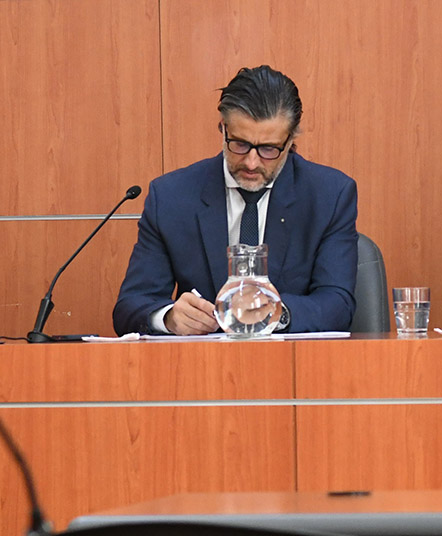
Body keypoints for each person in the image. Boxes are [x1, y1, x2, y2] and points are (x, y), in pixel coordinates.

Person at [113, 65, 358, 335]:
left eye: (268, 149)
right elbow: (131, 306)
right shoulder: (172, 196)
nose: (251, 163)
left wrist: (277, 314)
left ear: (290, 141)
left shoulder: (329, 195)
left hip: (294, 358)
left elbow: (338, 305)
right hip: (204, 359)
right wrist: (168, 317)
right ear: (223, 129)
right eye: (240, 144)